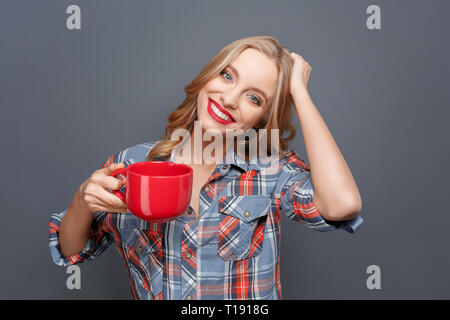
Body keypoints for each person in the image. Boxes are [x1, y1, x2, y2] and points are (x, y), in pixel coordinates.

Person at [48, 36, 363, 300]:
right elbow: (72, 250)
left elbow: (343, 204)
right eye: (227, 76)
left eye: (254, 98)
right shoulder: (133, 165)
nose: (229, 99)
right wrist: (82, 199)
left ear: (262, 120)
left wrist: (300, 93)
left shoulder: (270, 170)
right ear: (207, 76)